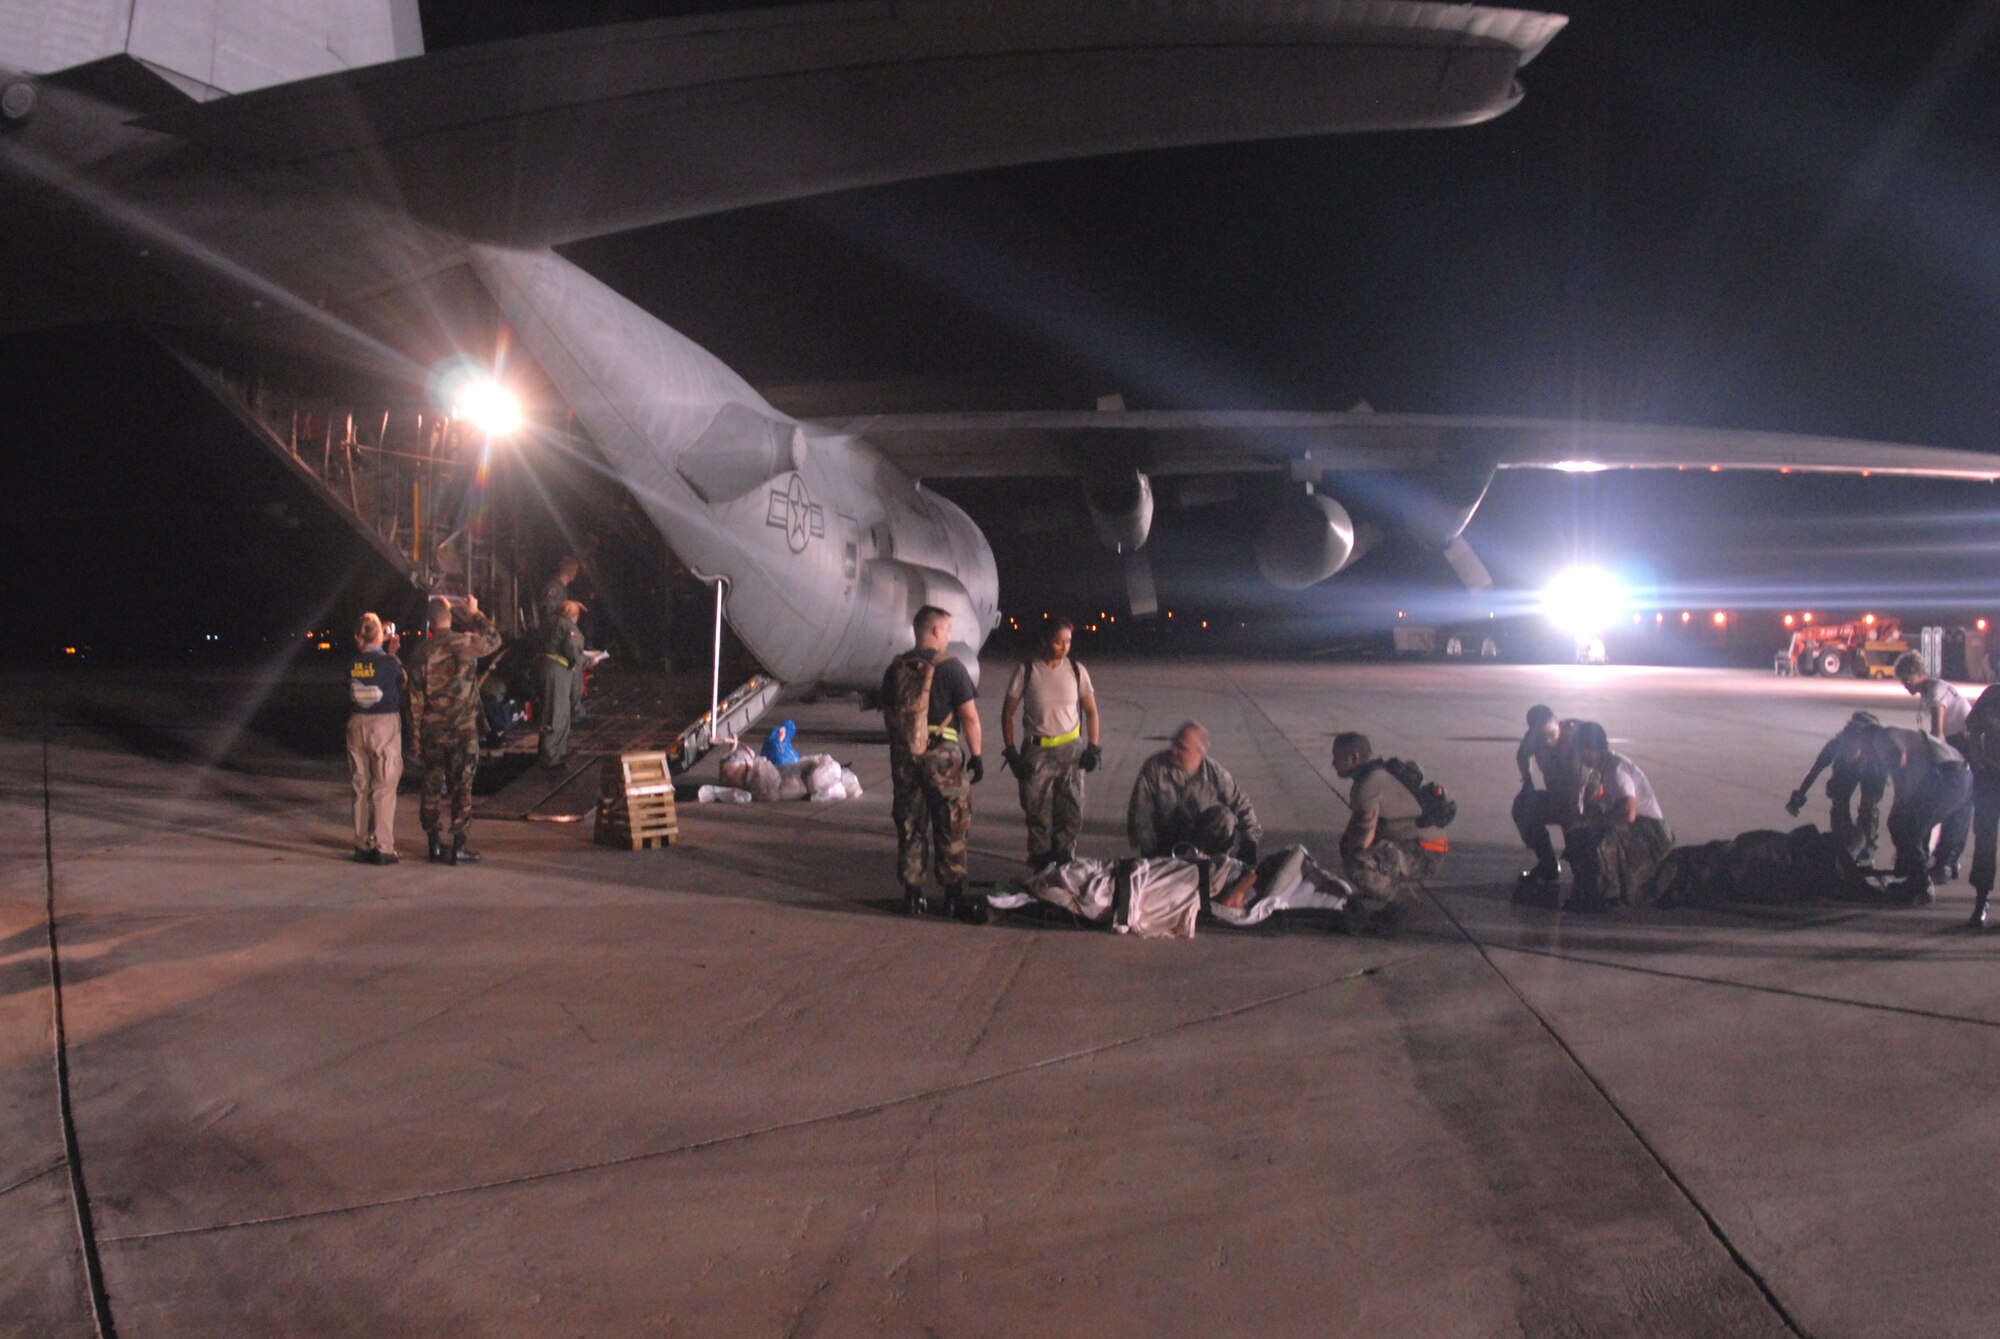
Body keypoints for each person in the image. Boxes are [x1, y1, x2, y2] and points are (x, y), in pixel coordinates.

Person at [881, 605, 985, 921]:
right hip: (943, 758)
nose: (949, 637)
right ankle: (953, 897)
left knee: (911, 825)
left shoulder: (895, 669)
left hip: (904, 757)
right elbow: (969, 717)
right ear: (937, 631)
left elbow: (888, 715)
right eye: (948, 631)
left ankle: (913, 897)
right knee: (952, 824)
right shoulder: (952, 668)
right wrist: (977, 756)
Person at [999, 618, 1102, 869]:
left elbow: (1091, 711)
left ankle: (1065, 864)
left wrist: (1093, 747)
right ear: (1045, 641)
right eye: (1059, 641)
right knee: (1037, 815)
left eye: (1068, 641)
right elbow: (1007, 714)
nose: (1065, 647)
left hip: (1071, 751)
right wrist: (1012, 751)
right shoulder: (1027, 670)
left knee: (1071, 813)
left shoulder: (1077, 671)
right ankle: (1040, 866)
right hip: (1037, 751)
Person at [410, 594, 503, 865]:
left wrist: (415, 736)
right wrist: (475, 613)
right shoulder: (465, 643)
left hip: (432, 731)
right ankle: (460, 845)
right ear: (449, 617)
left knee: (431, 785)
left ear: (429, 621)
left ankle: (434, 844)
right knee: (462, 786)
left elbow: (414, 700)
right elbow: (495, 639)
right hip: (463, 731)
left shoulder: (421, 652)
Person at [1330, 732, 1447, 913]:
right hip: (1427, 846)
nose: (1333, 762)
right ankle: (1383, 891)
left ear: (1354, 758)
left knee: (1358, 863)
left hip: (1425, 852)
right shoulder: (1379, 773)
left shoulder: (1368, 785)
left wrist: (1353, 856)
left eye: (1337, 757)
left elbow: (1363, 838)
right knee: (1351, 847)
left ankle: (1404, 904)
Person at [1567, 721, 1674, 911]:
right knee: (1587, 831)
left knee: (1593, 840)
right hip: (1645, 828)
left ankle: (1607, 894)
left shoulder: (1615, 770)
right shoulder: (1606, 767)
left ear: (1584, 751)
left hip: (1651, 833)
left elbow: (1628, 814)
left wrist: (1595, 822)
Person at [1863, 720, 1973, 903]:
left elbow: (1899, 759)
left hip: (1949, 777)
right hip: (1962, 777)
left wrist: (1899, 807)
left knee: (1903, 825)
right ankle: (1918, 873)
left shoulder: (1881, 738)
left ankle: (1920, 884)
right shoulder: (1902, 733)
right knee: (1912, 825)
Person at [1127, 721, 1261, 862]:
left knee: (1225, 817)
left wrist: (1249, 844)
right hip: (1163, 846)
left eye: (1181, 747)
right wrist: (1151, 856)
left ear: (1200, 752)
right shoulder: (1154, 768)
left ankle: (1210, 869)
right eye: (1174, 743)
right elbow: (1139, 814)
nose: (1173, 750)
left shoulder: (1216, 774)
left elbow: (1241, 806)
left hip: (1201, 846)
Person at [1785, 711, 1885, 863]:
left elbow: (1878, 791)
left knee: (1868, 805)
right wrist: (1799, 795)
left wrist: (1869, 841)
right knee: (1839, 798)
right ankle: (1843, 839)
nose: (1850, 753)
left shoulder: (1876, 753)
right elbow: (1816, 769)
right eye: (1848, 750)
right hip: (1847, 770)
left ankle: (1867, 845)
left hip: (1870, 770)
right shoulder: (1836, 745)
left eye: (1853, 750)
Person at [345, 612, 404, 865]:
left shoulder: (350, 663)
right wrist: (392, 653)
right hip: (383, 725)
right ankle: (383, 846)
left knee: (360, 786)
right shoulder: (389, 663)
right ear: (380, 634)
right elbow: (402, 681)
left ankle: (361, 844)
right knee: (384, 785)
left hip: (356, 723)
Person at [1513, 705, 1584, 892]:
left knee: (1575, 833)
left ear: (1557, 722)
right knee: (1523, 808)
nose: (1547, 741)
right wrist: (1527, 781)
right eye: (1542, 736)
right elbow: (1522, 754)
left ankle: (1586, 875)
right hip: (1557, 798)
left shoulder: (1578, 735)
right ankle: (1548, 865)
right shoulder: (1535, 736)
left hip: (1585, 802)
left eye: (1551, 734)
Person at [1963, 687, 2000, 928]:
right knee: (1985, 840)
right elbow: (1973, 728)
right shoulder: (1993, 695)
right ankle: (1982, 900)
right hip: (1990, 778)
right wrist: (1979, 761)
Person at [535, 597, 586, 769]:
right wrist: (588, 661)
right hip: (558, 670)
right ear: (573, 615)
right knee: (556, 712)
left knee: (558, 710)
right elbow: (572, 650)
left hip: (547, 667)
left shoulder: (548, 623)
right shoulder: (567, 626)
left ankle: (557, 751)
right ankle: (550, 756)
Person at [1896, 652, 1972, 753]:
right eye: (1903, 682)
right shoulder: (1929, 690)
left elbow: (1937, 732)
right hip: (1957, 736)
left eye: (1908, 681)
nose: (1905, 685)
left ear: (1919, 674)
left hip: (1964, 738)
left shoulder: (1936, 691)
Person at [539, 555, 582, 629]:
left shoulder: (562, 589)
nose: (576, 573)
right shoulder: (554, 588)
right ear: (570, 570)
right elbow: (548, 613)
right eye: (575, 570)